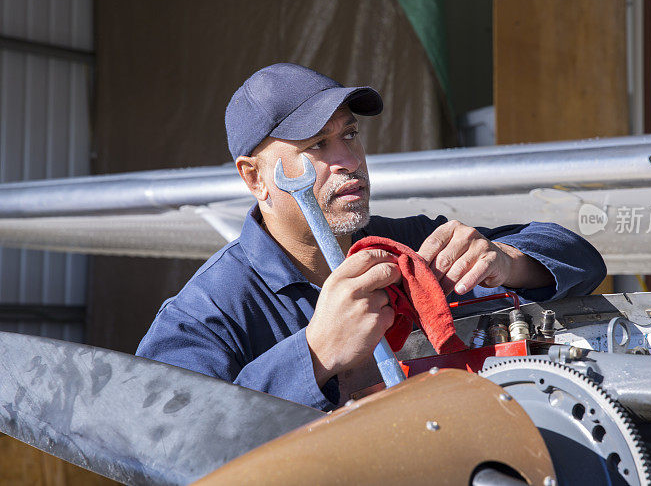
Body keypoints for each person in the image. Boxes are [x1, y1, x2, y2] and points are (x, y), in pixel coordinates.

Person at [136, 63, 606, 411]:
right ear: (255, 178)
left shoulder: (411, 245)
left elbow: (581, 259)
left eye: (351, 134)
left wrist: (508, 260)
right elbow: (158, 435)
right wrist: (314, 354)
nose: (349, 159)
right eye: (317, 145)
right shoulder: (208, 310)